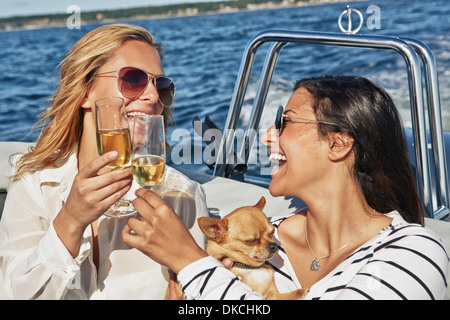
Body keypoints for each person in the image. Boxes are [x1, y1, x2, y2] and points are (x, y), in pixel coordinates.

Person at [123, 75, 450, 300]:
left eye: (285, 122)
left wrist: (190, 262)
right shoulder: (257, 238)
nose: (267, 136)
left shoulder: (416, 251)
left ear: (338, 144)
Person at [0, 23, 208, 299]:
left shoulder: (182, 195)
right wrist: (70, 221)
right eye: (133, 79)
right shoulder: (33, 183)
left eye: (162, 85)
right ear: (86, 91)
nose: (153, 96)